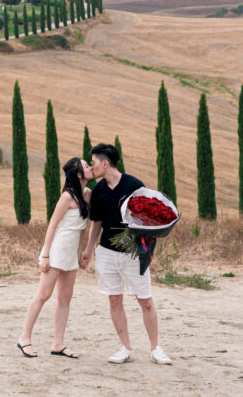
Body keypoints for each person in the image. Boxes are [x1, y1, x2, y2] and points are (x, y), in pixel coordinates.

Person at [80, 142, 172, 365]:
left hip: (133, 254)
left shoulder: (134, 185)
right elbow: (97, 223)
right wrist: (89, 250)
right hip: (107, 253)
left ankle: (155, 349)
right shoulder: (99, 190)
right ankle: (126, 348)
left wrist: (147, 248)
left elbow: (150, 216)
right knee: (114, 301)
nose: (92, 168)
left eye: (93, 163)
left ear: (105, 163)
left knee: (146, 301)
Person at [16, 157, 93, 358]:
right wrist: (45, 255)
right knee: (43, 295)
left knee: (65, 298)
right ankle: (24, 338)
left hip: (71, 255)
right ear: (78, 174)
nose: (90, 167)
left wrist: (80, 252)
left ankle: (58, 343)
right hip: (57, 251)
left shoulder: (87, 195)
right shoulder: (67, 197)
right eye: (86, 166)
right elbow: (52, 225)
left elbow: (82, 228)